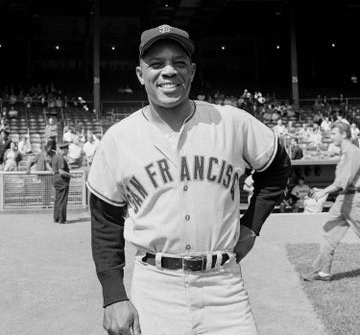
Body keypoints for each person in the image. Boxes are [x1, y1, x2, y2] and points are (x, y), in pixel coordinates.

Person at [87, 24, 291, 335]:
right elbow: (105, 221)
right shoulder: (118, 139)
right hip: (155, 288)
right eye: (156, 64)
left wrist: (252, 224)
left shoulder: (230, 121)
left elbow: (278, 166)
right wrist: (113, 295)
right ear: (141, 75)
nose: (168, 71)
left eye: (178, 63)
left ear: (192, 71)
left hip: (224, 287)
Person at [303, 122, 360, 281]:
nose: (331, 137)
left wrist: (323, 192)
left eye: (334, 133)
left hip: (354, 200)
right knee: (329, 232)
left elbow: (344, 181)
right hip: (343, 200)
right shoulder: (344, 153)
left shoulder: (352, 152)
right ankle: (323, 272)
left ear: (344, 134)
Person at [51, 143, 73, 224]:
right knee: (63, 200)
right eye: (67, 149)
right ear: (64, 149)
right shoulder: (60, 158)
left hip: (55, 179)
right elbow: (61, 171)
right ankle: (62, 219)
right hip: (62, 180)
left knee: (58, 199)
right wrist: (71, 175)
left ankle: (56, 217)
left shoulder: (55, 156)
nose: (68, 151)